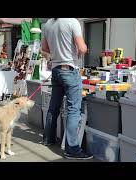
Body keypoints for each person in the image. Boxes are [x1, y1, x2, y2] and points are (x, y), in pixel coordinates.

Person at [41, 18, 92, 160]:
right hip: (69, 70)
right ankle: (72, 149)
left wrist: (57, 51)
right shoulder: (72, 22)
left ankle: (48, 139)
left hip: (56, 70)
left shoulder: (48, 24)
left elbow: (44, 49)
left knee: (54, 107)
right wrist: (83, 49)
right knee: (73, 110)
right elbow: (82, 48)